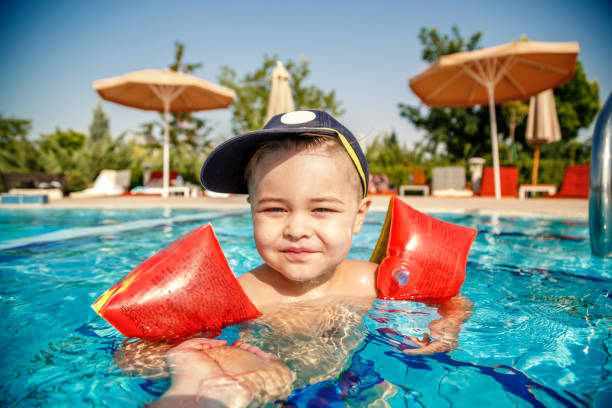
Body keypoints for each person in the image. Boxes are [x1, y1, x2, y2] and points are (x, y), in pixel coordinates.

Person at [150, 110, 472, 407]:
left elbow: (451, 299)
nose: (297, 229)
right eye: (274, 209)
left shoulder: (370, 280)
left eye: (321, 209)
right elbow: (144, 349)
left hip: (356, 380)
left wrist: (447, 324)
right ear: (251, 210)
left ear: (358, 217)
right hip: (268, 388)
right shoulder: (241, 294)